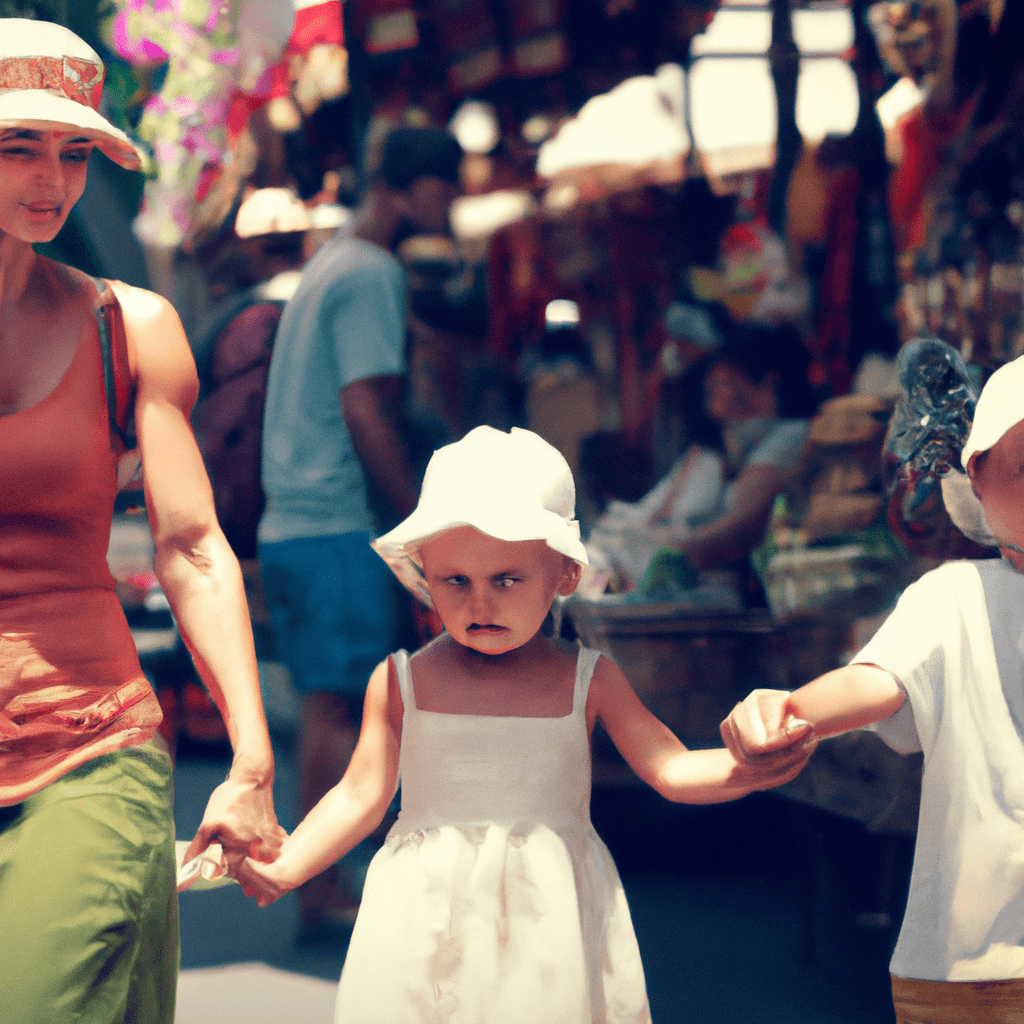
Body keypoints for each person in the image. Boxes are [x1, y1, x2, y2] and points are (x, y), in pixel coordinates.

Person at [237, 425, 812, 1022]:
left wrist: (752, 764)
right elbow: (360, 795)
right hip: (424, 916)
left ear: (563, 576)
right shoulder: (401, 680)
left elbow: (671, 768)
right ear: (423, 572)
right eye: (454, 580)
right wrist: (292, 862)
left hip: (549, 918)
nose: (479, 604)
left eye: (506, 580)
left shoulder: (590, 678)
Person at [0, 19, 284, 1024]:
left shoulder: (133, 327)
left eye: (73, 152)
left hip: (86, 742)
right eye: (17, 146)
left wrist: (250, 758)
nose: (52, 180)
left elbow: (192, 545)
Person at [719, 353, 1024, 1023]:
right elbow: (876, 683)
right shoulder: (954, 597)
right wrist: (792, 710)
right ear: (975, 475)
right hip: (983, 964)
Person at [257, 124, 462, 941]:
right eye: (446, 186)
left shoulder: (332, 259)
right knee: (342, 709)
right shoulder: (373, 271)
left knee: (331, 706)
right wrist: (422, 526)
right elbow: (366, 405)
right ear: (413, 187)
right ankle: (319, 886)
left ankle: (317, 879)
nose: (450, 205)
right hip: (334, 524)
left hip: (296, 527)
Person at [585, 323, 818, 594]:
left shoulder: (791, 435)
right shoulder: (718, 451)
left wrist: (669, 546)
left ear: (768, 379)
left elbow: (739, 531)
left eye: (725, 384)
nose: (713, 404)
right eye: (712, 389)